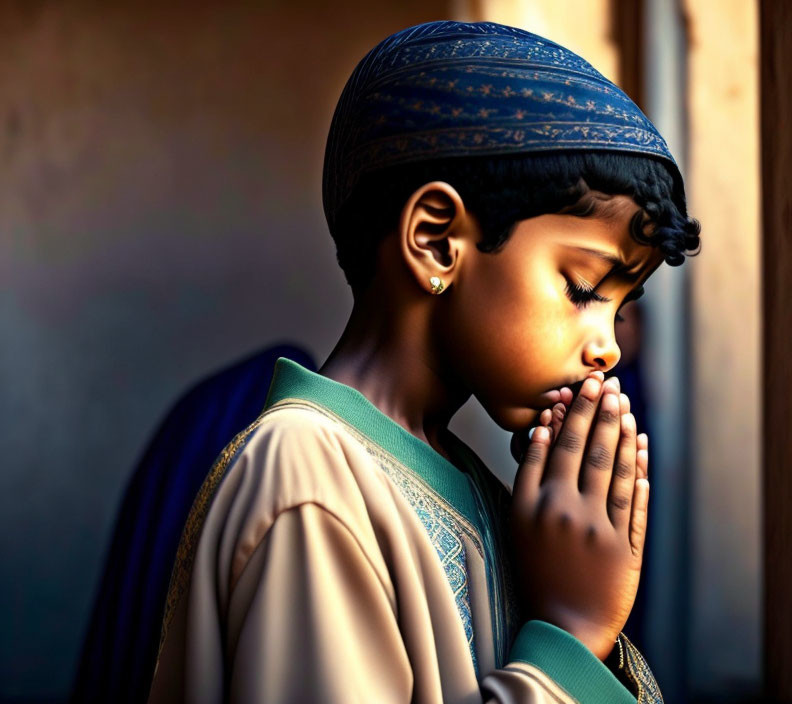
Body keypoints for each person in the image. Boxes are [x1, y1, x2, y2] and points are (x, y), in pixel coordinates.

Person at [148, 20, 700, 703]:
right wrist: (570, 633)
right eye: (583, 288)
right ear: (437, 242)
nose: (608, 345)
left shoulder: (482, 491)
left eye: (620, 306)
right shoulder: (305, 479)